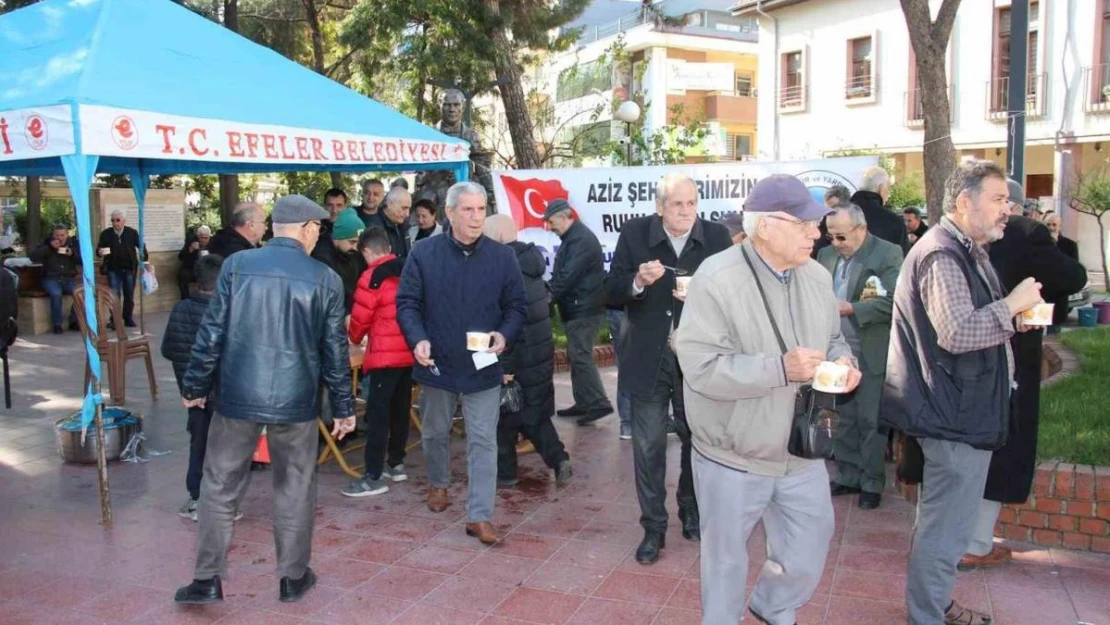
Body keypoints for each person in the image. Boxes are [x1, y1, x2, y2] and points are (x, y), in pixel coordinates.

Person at [674, 173, 859, 625]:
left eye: (817, 225)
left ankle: (773, 606)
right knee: (725, 564)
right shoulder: (715, 279)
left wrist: (845, 364)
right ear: (766, 226)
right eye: (805, 225)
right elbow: (700, 368)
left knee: (809, 547)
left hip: (800, 450)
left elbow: (835, 339)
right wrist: (779, 368)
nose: (817, 235)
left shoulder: (816, 276)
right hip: (732, 454)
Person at [883, 160, 1044, 625]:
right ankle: (928, 614)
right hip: (952, 413)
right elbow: (956, 332)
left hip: (961, 409)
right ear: (963, 202)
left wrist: (1014, 317)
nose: (1007, 209)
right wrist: (1011, 305)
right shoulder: (942, 253)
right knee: (945, 529)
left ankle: (933, 604)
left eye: (1007, 201)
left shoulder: (965, 248)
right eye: (997, 199)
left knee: (945, 525)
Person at [174, 195, 355, 606]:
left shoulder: (236, 266)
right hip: (296, 402)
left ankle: (206, 580)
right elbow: (334, 353)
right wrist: (343, 408)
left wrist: (194, 385)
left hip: (236, 396)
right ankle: (292, 578)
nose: (318, 236)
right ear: (307, 229)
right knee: (294, 487)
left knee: (218, 486)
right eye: (318, 229)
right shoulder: (325, 278)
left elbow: (211, 332)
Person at [955, 179, 1088, 571]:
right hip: (1006, 354)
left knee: (956, 447)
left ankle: (946, 538)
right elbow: (1073, 277)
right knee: (1000, 445)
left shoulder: (947, 233)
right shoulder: (1026, 233)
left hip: (957, 361)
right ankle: (975, 543)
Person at [604, 173, 733, 564]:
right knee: (648, 445)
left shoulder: (716, 239)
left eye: (692, 203)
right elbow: (610, 290)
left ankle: (690, 508)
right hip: (648, 356)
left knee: (698, 440)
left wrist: (704, 295)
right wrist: (638, 282)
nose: (687, 212)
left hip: (698, 359)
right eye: (678, 204)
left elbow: (732, 296)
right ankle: (653, 527)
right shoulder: (635, 234)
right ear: (660, 207)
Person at [396, 181, 527, 546]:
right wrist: (417, 337)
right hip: (437, 364)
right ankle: (438, 483)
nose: (475, 217)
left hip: (484, 365)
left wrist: (504, 335)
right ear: (450, 213)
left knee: (483, 441)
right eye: (467, 210)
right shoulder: (423, 253)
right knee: (435, 431)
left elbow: (517, 307)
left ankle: (479, 515)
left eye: (481, 210)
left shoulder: (503, 258)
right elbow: (407, 303)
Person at [817, 204, 903, 509]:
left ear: (861, 229)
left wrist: (852, 308)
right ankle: (847, 474)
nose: (836, 244)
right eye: (831, 237)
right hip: (834, 350)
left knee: (870, 418)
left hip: (869, 348)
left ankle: (871, 481)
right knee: (841, 417)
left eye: (841, 237)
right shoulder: (825, 256)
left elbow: (895, 301)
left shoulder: (887, 253)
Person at [483, 214, 572, 486]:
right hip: (538, 355)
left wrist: (504, 367)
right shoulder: (530, 262)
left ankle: (506, 474)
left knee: (501, 419)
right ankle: (559, 459)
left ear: (496, 238)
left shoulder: (503, 268)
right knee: (534, 415)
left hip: (517, 358)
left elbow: (509, 324)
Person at [343, 228, 414, 496]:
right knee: (401, 411)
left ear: (367, 251)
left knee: (377, 416)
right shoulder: (408, 270)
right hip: (408, 351)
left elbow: (360, 319)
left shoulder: (371, 276)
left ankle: (372, 476)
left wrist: (354, 336)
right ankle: (396, 464)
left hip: (383, 355)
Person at [161, 254, 226, 521]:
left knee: (198, 442)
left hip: (191, 392)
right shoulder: (224, 312)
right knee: (225, 445)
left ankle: (197, 498)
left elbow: (167, 349)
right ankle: (221, 502)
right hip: (219, 391)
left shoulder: (180, 309)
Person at [545, 199, 612, 425]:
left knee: (580, 355)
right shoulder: (573, 238)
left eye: (552, 222)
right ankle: (584, 402)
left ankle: (598, 403)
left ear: (565, 218)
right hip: (578, 306)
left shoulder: (580, 239)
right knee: (576, 354)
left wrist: (549, 298)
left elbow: (568, 275)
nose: (550, 227)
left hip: (584, 307)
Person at [310, 207, 366, 315]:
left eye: (359, 243)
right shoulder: (322, 258)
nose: (356, 247)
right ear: (337, 238)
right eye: (352, 242)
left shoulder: (355, 254)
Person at [97, 210, 146, 328]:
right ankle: (115, 320)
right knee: (115, 295)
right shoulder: (106, 234)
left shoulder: (132, 232)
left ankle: (128, 317)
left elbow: (141, 246)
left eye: (117, 220)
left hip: (129, 268)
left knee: (129, 294)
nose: (115, 223)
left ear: (123, 221)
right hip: (113, 269)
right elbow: (99, 249)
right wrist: (99, 252)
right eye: (113, 220)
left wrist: (145, 260)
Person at [29, 224, 80, 333]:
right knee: (56, 293)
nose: (60, 238)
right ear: (53, 235)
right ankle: (57, 325)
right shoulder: (47, 243)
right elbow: (33, 256)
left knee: (80, 293)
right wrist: (50, 247)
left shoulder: (73, 244)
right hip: (50, 278)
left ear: (67, 235)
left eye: (62, 235)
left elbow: (82, 259)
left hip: (68, 278)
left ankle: (74, 321)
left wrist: (72, 253)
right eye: (57, 235)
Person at [850, 166, 911, 254]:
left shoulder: (836, 216)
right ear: (881, 188)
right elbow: (903, 260)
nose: (889, 194)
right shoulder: (893, 221)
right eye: (889, 188)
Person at [1042, 211, 1083, 327]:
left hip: (1060, 294)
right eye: (1048, 224)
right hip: (1042, 293)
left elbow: (1074, 268)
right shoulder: (1037, 244)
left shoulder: (1070, 245)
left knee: (1057, 327)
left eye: (1054, 225)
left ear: (1060, 226)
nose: (1051, 228)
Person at [365, 187, 413, 260]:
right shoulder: (374, 227)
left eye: (409, 209)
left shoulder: (404, 226)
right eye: (404, 208)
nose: (407, 214)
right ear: (390, 204)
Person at [177, 225, 212, 300]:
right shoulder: (191, 242)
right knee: (183, 275)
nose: (203, 240)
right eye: (201, 238)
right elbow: (181, 257)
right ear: (198, 236)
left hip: (207, 270)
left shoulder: (213, 244)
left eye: (206, 238)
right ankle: (185, 300)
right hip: (193, 269)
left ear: (209, 237)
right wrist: (190, 250)